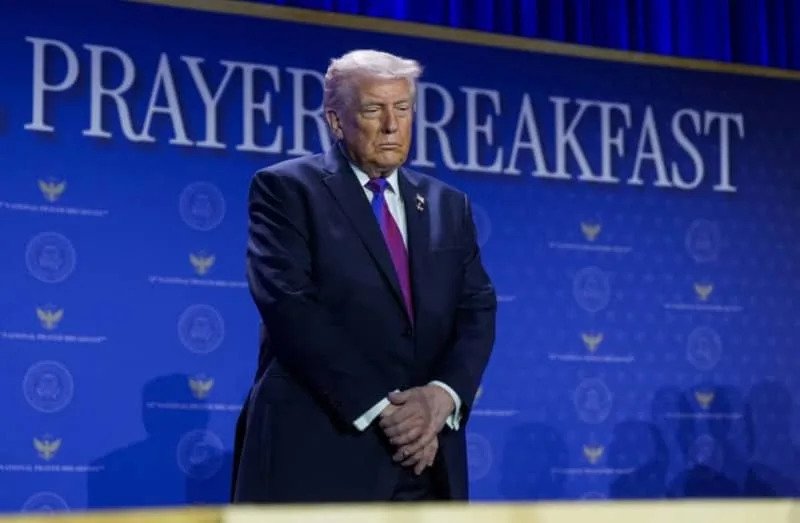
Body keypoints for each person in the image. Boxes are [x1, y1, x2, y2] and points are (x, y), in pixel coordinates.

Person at [231, 49, 497, 503]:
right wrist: (387, 411)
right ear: (336, 121)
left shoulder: (448, 205)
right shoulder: (288, 189)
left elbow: (476, 309)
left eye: (403, 109)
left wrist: (441, 396)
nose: (392, 125)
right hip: (322, 449)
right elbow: (290, 305)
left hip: (426, 458)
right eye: (374, 110)